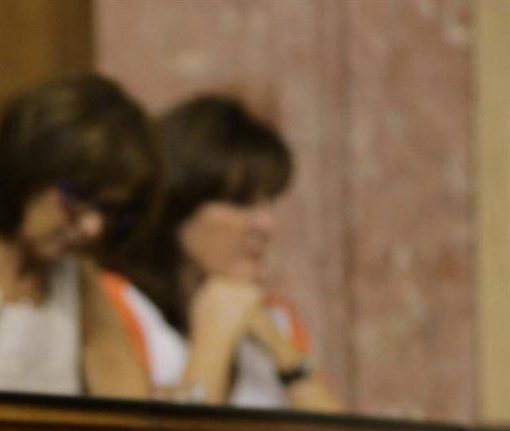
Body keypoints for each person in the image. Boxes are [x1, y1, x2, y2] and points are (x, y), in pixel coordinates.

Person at [0, 73, 159, 398]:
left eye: (110, 210)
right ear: (28, 165)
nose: (94, 227)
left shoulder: (77, 278)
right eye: (78, 198)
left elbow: (131, 413)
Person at [103, 94, 342, 410]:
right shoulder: (116, 302)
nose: (265, 224)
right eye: (240, 203)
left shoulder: (276, 316)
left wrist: (281, 350)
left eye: (268, 201)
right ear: (178, 205)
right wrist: (215, 331)